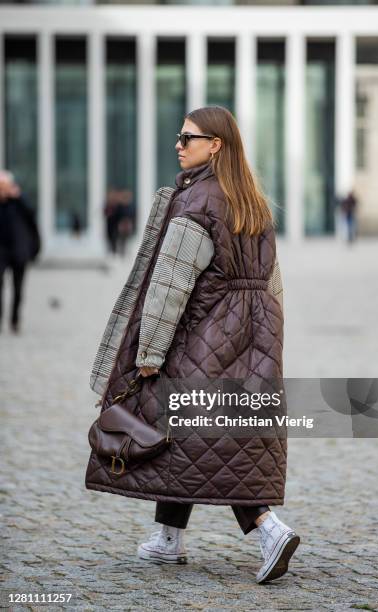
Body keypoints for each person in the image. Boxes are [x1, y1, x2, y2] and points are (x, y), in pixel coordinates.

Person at [86, 106, 299, 584]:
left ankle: (268, 528)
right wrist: (269, 346)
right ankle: (168, 539)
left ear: (215, 145)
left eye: (188, 137)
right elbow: (273, 286)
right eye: (178, 137)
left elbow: (169, 288)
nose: (178, 145)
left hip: (201, 336)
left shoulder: (197, 202)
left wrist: (149, 355)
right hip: (253, 335)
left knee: (200, 434)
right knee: (204, 435)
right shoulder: (254, 203)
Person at [0, 170, 40, 334]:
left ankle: (15, 319)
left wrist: (18, 197)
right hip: (1, 251)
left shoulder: (19, 202)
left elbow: (32, 216)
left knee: (18, 288)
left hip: (18, 250)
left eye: (5, 185)